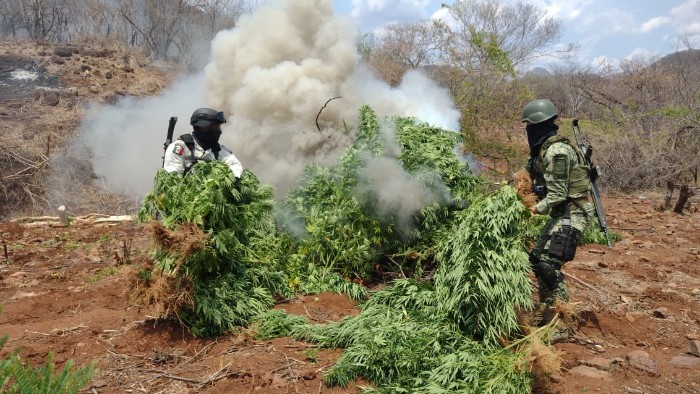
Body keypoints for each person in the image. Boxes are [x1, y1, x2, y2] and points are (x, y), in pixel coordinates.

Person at [522, 99, 594, 341]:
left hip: (574, 213)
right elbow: (525, 175)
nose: (528, 132)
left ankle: (562, 323)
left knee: (549, 266)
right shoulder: (542, 150)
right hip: (560, 213)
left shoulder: (557, 152)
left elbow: (558, 194)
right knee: (537, 260)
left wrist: (532, 210)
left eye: (530, 127)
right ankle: (547, 311)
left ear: (539, 126)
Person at [163, 108, 243, 177]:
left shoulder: (218, 151)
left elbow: (235, 166)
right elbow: (173, 179)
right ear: (203, 127)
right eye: (215, 126)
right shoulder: (181, 148)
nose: (219, 131)